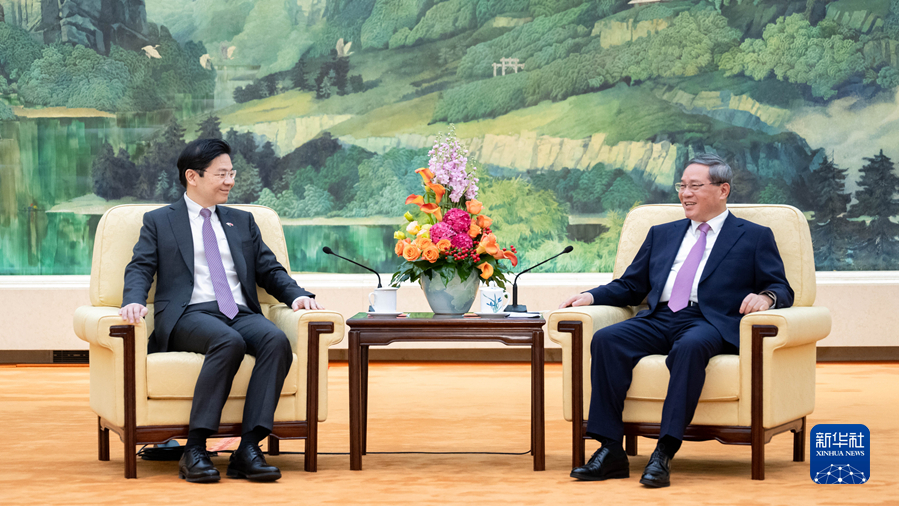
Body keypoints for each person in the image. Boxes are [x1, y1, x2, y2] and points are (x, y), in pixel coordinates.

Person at [558, 153, 793, 488]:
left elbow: (781, 287)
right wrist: (592, 296)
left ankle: (663, 452)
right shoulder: (662, 233)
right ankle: (610, 449)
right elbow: (631, 285)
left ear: (723, 190)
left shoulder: (753, 236)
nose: (685, 193)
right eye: (682, 186)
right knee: (607, 339)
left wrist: (767, 297)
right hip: (660, 315)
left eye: (695, 186)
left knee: (690, 347)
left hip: (708, 321)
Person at [119, 138, 324, 483]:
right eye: (222, 174)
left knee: (275, 340)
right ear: (192, 177)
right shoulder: (160, 221)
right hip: (189, 313)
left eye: (232, 173)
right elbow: (140, 267)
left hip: (238, 311)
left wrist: (297, 296)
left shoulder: (242, 222)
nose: (230, 181)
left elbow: (269, 271)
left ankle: (248, 448)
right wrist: (133, 299)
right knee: (228, 342)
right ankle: (195, 449)